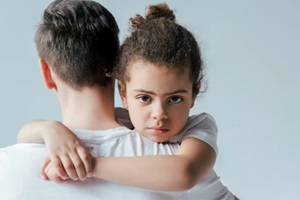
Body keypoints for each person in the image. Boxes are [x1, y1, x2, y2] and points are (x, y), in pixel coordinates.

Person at [0, 1, 237, 200]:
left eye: (174, 98)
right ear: (119, 72)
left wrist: (86, 164)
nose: (159, 114)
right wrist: (48, 128)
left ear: (46, 72)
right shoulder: (170, 153)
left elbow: (185, 172)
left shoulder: (7, 168)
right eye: (145, 98)